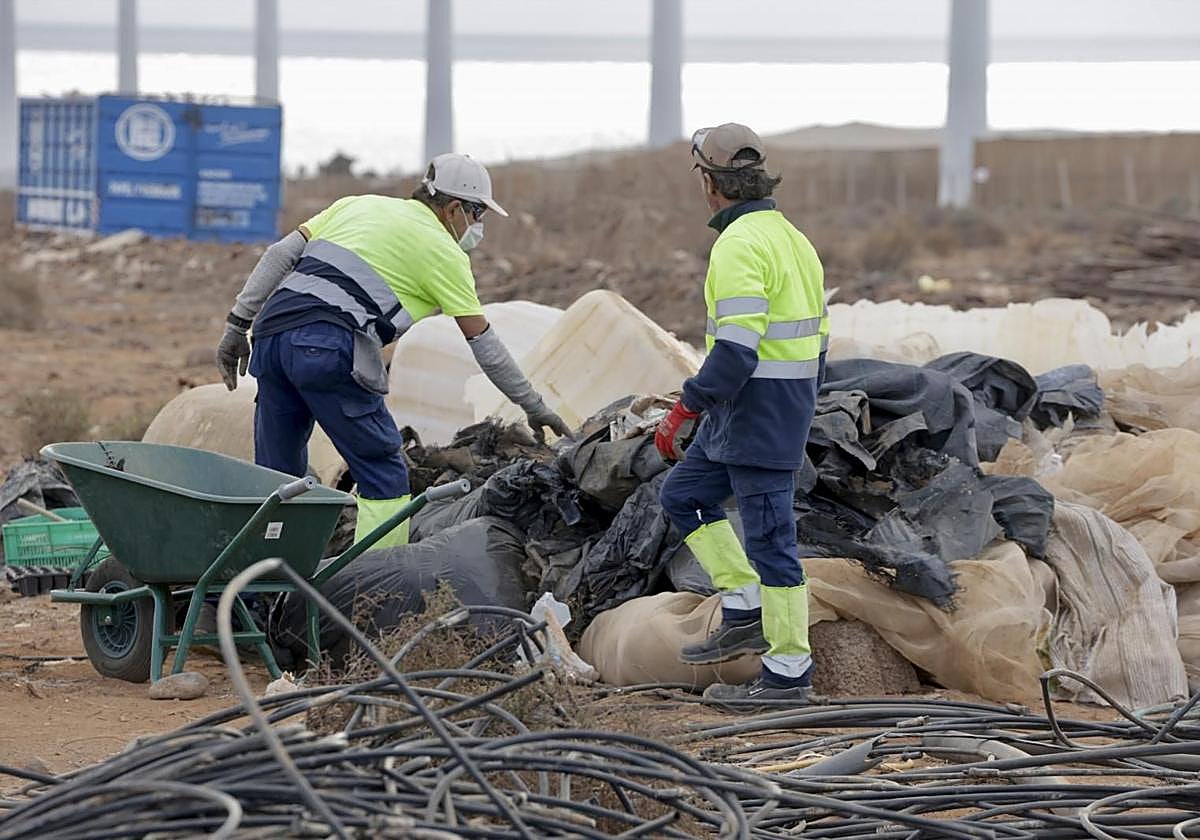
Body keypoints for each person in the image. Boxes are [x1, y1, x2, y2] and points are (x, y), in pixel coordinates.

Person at [216, 153, 570, 547]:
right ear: (454, 209)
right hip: (327, 347)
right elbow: (485, 345)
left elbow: (278, 255)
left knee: (278, 480)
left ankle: (259, 593)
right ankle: (372, 591)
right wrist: (534, 406)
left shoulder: (357, 204)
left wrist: (236, 326)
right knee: (384, 473)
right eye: (478, 214)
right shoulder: (444, 252)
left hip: (270, 338)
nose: (479, 227)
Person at [656, 123, 828, 703]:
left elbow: (734, 351)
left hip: (758, 415)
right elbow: (818, 344)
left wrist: (684, 407)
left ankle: (787, 674)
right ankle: (745, 607)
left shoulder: (739, 246)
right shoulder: (791, 238)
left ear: (710, 182)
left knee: (772, 544)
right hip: (755, 413)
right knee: (682, 495)